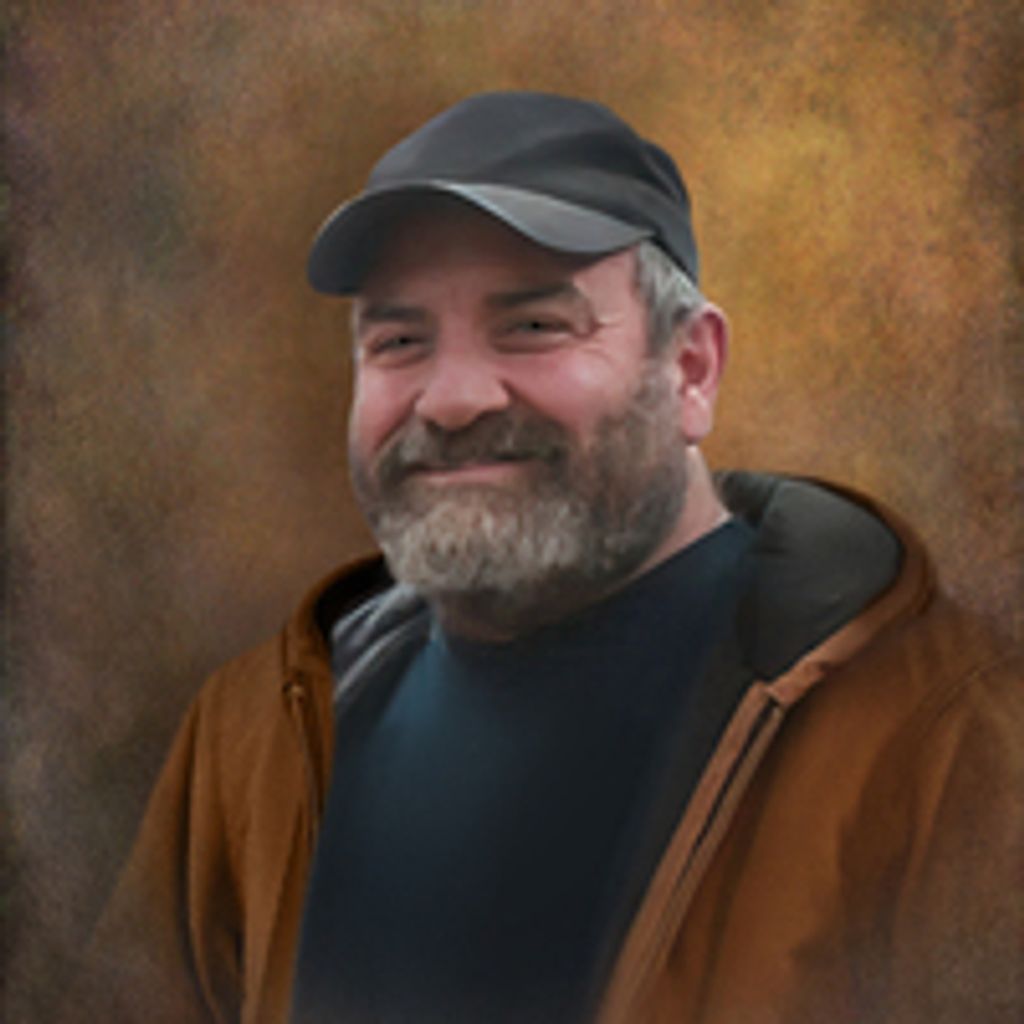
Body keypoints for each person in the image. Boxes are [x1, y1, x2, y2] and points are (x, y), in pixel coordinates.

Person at [68, 92, 1022, 1024]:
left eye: (532, 326)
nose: (453, 399)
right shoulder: (251, 739)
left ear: (691, 369)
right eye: (399, 340)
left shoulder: (935, 734)